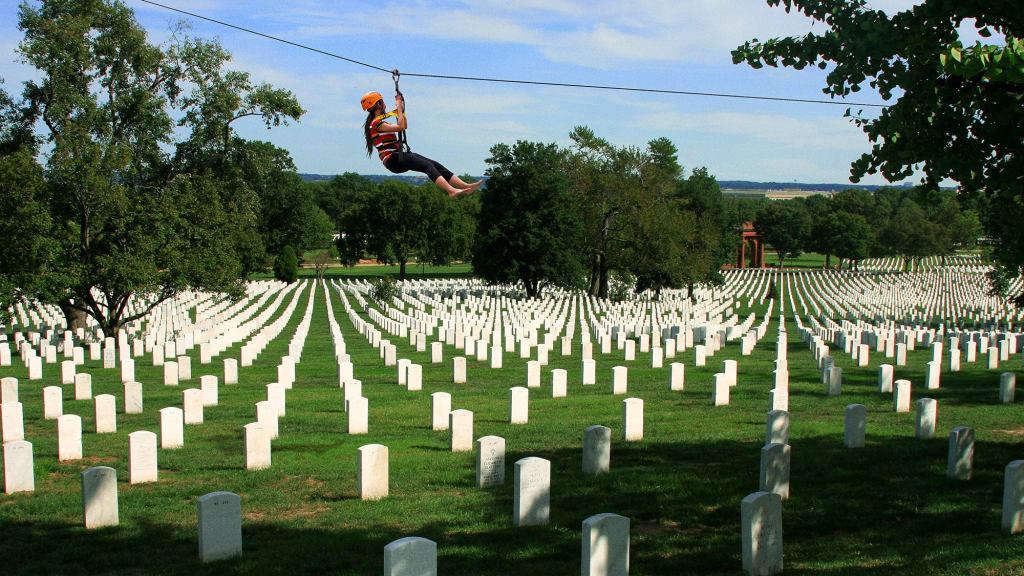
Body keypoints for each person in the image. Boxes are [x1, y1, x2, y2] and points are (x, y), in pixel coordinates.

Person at [361, 91, 481, 197]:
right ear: (378, 104)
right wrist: (398, 106)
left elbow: (404, 126)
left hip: (397, 157)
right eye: (382, 101)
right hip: (394, 159)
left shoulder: (378, 122)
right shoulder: (376, 124)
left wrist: (400, 110)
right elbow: (401, 127)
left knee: (434, 164)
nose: (384, 104)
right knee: (427, 167)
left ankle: (465, 186)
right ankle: (451, 191)